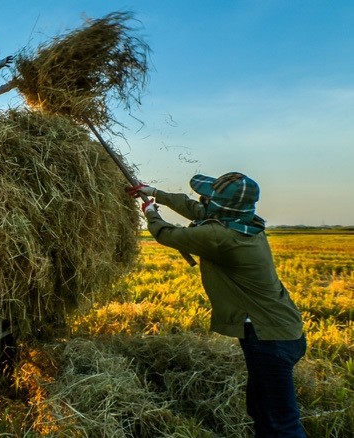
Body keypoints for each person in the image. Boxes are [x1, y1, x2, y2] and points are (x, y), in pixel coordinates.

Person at [129, 172, 307, 438]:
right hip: (281, 332)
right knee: (261, 409)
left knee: (281, 422)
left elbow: (167, 234)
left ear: (221, 205)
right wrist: (154, 191)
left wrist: (150, 211)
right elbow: (196, 209)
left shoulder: (221, 237)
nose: (204, 200)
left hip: (269, 339)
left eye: (209, 196)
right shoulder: (246, 222)